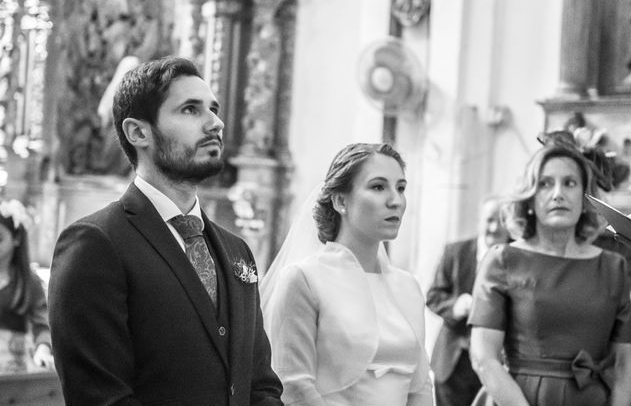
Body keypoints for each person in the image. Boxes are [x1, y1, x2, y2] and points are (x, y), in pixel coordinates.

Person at [48, 57, 283, 405]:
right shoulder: (95, 243)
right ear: (138, 132)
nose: (215, 123)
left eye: (213, 109)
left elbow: (260, 385)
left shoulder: (237, 251)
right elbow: (101, 396)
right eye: (190, 109)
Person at [261, 143, 434, 406]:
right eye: (378, 187)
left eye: (400, 188)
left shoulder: (408, 286)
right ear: (341, 200)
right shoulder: (305, 279)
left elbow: (420, 387)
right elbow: (294, 385)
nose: (395, 200)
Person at [469, 142, 631, 406]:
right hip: (516, 399)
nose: (558, 194)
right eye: (546, 184)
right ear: (531, 199)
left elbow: (625, 362)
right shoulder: (503, 259)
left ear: (585, 199)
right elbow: (483, 357)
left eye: (570, 183)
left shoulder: (612, 267)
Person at [426, 196, 509, 406]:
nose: (494, 227)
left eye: (501, 220)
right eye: (489, 219)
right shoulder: (455, 251)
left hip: (498, 364)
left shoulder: (518, 257)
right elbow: (433, 296)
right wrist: (456, 306)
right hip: (454, 364)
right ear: (479, 221)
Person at [0, 199, 54, 373]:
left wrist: (43, 349)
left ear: (16, 239)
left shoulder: (29, 281)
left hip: (13, 367)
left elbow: (42, 323)